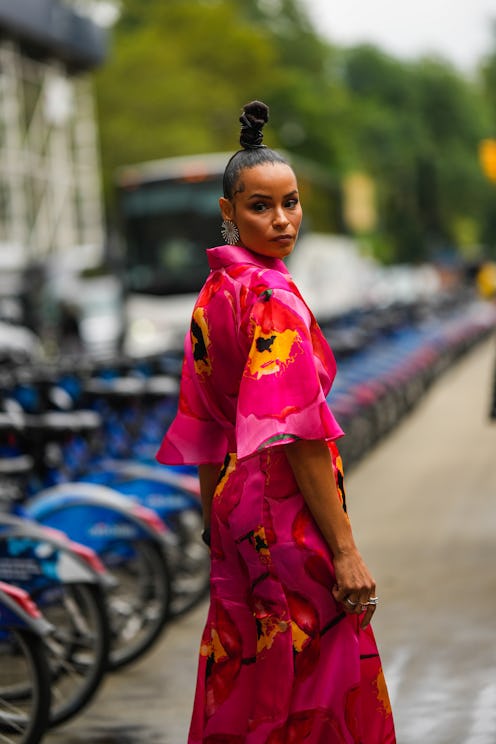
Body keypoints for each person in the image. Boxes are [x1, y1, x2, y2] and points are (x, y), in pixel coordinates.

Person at [157, 100, 396, 743]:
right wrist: (346, 552)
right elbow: (297, 431)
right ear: (228, 212)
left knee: (250, 662)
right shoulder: (270, 295)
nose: (283, 219)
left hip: (237, 508)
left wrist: (216, 519)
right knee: (323, 671)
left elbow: (205, 423)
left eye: (290, 202)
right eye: (261, 206)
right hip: (283, 510)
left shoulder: (216, 291)